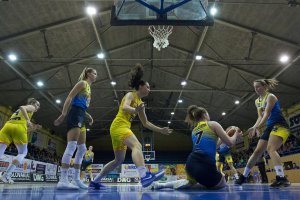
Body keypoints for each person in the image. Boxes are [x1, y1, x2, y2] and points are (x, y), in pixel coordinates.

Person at [90, 64, 172, 189]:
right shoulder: (131, 95)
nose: (150, 89)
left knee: (118, 160)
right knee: (137, 145)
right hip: (119, 126)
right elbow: (124, 107)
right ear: (141, 86)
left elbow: (146, 123)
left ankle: (95, 182)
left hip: (120, 129)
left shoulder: (141, 104)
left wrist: (161, 130)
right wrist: (135, 110)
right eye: (148, 87)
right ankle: (144, 176)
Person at [153, 105, 242, 190]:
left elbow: (213, 146)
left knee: (190, 182)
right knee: (222, 182)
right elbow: (230, 143)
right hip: (205, 164)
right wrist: (235, 134)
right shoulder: (213, 124)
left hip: (191, 163)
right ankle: (199, 184)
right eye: (207, 113)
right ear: (204, 114)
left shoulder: (194, 130)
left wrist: (225, 135)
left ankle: (162, 185)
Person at [235, 79, 290, 187]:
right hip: (269, 126)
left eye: (258, 87)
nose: (256, 89)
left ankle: (282, 178)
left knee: (271, 148)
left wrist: (257, 128)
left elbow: (266, 114)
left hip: (280, 125)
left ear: (265, 86)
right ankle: (243, 177)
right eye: (255, 88)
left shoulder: (271, 97)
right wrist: (254, 126)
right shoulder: (257, 101)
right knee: (257, 152)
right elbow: (260, 116)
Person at [54, 67, 97, 190]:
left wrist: (88, 116)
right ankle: (63, 180)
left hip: (82, 114)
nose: (96, 75)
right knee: (72, 145)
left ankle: (76, 179)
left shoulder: (89, 88)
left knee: (82, 148)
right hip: (75, 114)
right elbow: (69, 97)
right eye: (94, 73)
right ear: (88, 74)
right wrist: (63, 113)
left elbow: (82, 105)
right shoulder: (82, 83)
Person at [0, 98, 41, 183]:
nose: (38, 107)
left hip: (7, 126)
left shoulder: (20, 113)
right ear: (32, 103)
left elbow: (23, 130)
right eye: (37, 105)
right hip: (18, 127)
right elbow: (22, 107)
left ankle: (6, 176)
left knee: (0, 150)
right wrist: (28, 121)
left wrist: (33, 129)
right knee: (22, 153)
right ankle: (6, 175)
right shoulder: (31, 107)